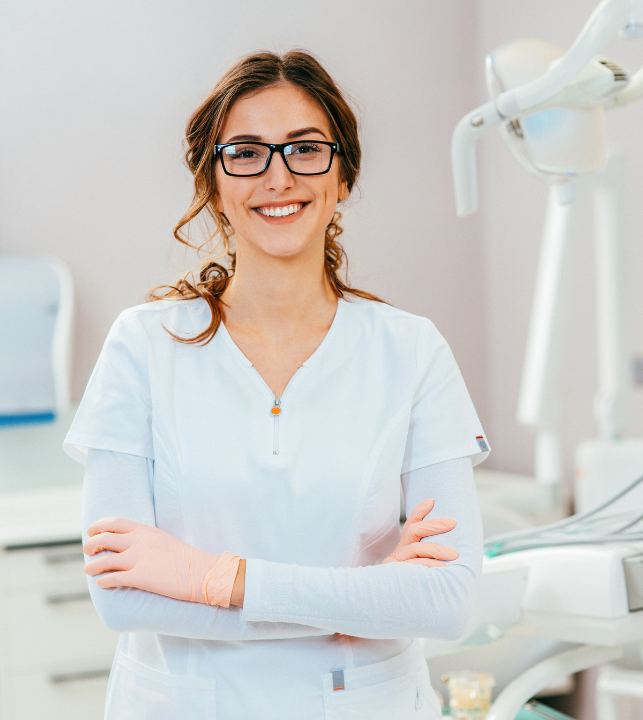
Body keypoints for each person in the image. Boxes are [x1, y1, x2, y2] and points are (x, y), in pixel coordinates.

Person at [65, 49, 489, 719]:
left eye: (306, 149)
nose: (278, 175)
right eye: (246, 153)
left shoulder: (410, 352)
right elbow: (121, 597)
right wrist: (366, 600)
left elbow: (450, 600)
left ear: (343, 174)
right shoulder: (142, 347)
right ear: (213, 182)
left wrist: (214, 579)